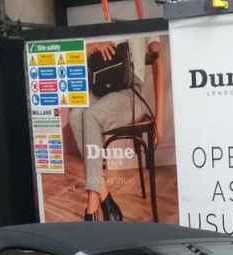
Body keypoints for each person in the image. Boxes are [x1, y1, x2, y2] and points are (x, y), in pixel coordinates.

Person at [67, 36, 169, 222]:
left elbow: (157, 61)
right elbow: (75, 52)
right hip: (102, 88)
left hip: (132, 91)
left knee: (91, 116)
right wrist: (94, 45)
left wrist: (159, 119)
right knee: (75, 115)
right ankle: (106, 199)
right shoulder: (103, 10)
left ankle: (92, 206)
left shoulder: (139, 11)